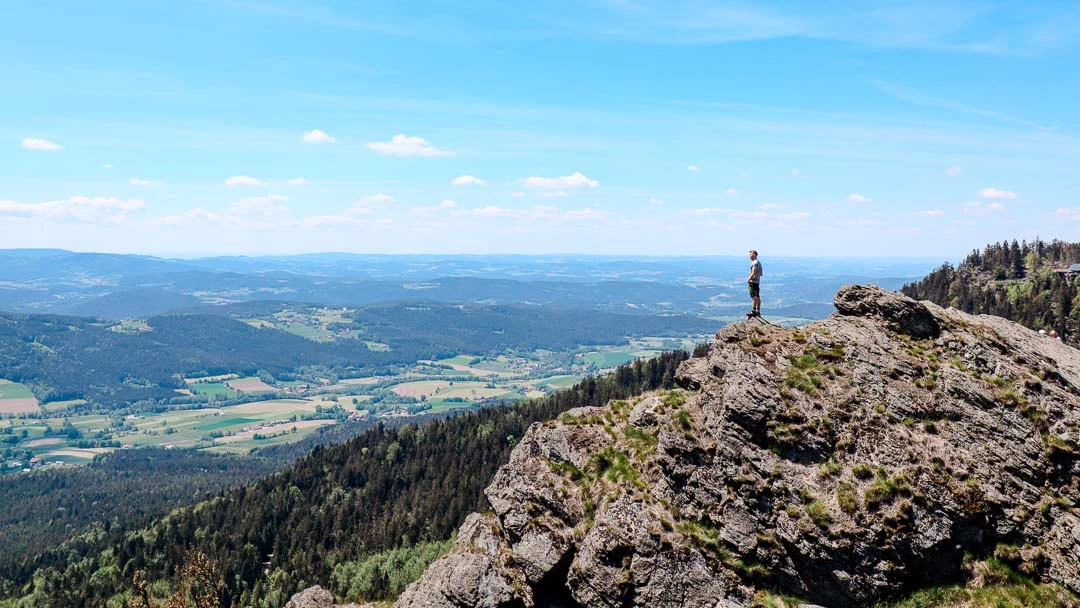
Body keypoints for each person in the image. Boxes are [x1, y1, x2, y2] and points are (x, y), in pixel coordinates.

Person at [747, 250, 762, 317]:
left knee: (754, 297)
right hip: (757, 282)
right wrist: (757, 277)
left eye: (751, 254)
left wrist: (749, 279)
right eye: (750, 255)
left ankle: (753, 311)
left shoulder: (755, 263)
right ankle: (758, 311)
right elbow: (761, 273)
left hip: (753, 282)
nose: (750, 256)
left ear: (755, 255)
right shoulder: (759, 263)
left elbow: (753, 272)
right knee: (757, 297)